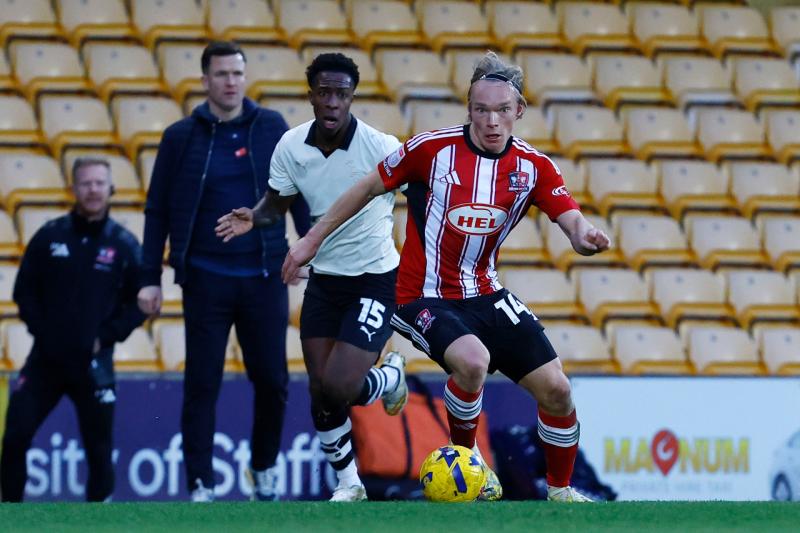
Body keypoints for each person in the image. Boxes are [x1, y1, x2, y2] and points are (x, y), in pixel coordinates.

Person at [281, 52, 611, 503]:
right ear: (469, 108)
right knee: (472, 362)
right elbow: (365, 187)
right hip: (420, 294)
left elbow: (569, 217)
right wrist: (311, 240)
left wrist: (583, 234)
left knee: (557, 390)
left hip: (485, 291)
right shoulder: (430, 150)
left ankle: (560, 491)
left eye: (501, 110)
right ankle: (469, 464)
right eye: (480, 109)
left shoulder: (534, 167)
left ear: (519, 111)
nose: (491, 120)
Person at [215, 52, 408, 502]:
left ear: (352, 97)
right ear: (312, 96)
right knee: (321, 390)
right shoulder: (291, 146)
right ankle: (349, 484)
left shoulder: (381, 147)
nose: (333, 102)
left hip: (374, 278)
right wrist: (255, 216)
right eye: (325, 93)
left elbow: (419, 195)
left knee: (342, 384)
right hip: (324, 280)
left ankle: (390, 377)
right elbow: (276, 207)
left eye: (342, 94)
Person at [136, 41, 310, 502]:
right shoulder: (180, 136)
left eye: (237, 73)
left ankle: (265, 468)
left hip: (263, 275)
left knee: (273, 381)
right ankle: (200, 483)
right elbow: (156, 210)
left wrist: (312, 250)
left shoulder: (272, 126)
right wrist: (149, 276)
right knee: (202, 383)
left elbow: (300, 192)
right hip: (205, 277)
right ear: (205, 81)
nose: (231, 82)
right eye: (222, 74)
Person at [0, 158, 145, 502]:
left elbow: (140, 304)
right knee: (16, 435)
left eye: (99, 183)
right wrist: (46, 334)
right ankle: (10, 515)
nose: (93, 190)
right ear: (72, 189)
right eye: (85, 183)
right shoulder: (49, 236)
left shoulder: (124, 245)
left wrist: (105, 337)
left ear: (111, 189)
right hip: (45, 362)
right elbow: (24, 292)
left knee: (99, 449)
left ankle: (97, 522)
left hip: (94, 365)